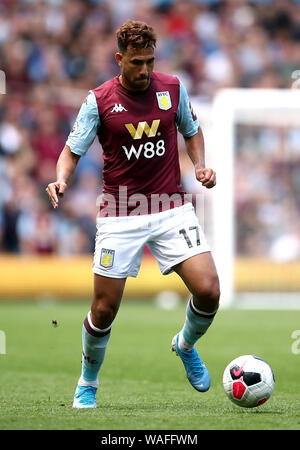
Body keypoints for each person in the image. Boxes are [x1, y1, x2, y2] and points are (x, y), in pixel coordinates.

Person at [46, 20, 220, 409]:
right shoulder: (99, 100)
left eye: (150, 62)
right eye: (137, 62)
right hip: (120, 211)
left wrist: (200, 165)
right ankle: (87, 382)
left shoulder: (172, 88)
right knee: (104, 308)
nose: (144, 70)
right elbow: (72, 150)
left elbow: (191, 129)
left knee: (209, 291)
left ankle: (185, 344)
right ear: (119, 58)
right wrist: (61, 180)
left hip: (170, 206)